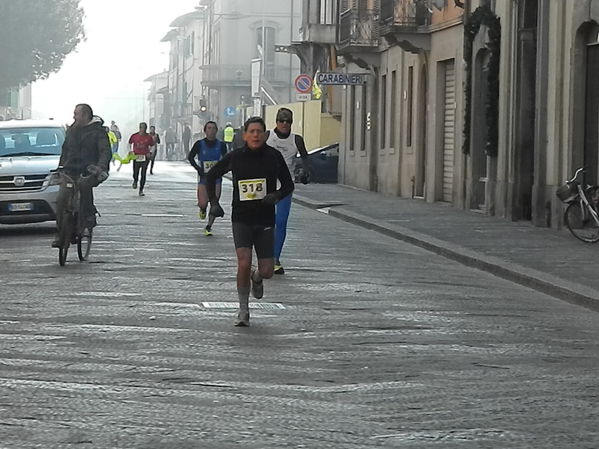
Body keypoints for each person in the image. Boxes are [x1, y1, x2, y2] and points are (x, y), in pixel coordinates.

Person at [206, 117, 294, 327]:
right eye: (252, 131)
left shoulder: (274, 156)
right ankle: (243, 309)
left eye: (259, 132)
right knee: (243, 263)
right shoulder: (236, 157)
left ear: (265, 135)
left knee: (267, 271)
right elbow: (212, 175)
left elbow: (289, 185)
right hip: (242, 218)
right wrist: (213, 202)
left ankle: (257, 277)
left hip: (264, 219)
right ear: (245, 135)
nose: (256, 135)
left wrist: (276, 196)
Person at [52, 104, 111, 247]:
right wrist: (60, 168)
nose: (74, 117)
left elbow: (105, 152)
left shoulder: (98, 132)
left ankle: (89, 215)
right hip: (71, 169)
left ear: (85, 116)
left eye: (76, 114)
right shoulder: (72, 130)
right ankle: (62, 234)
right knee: (61, 199)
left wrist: (100, 167)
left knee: (84, 185)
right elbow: (65, 150)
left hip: (91, 170)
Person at [266, 107, 310, 275]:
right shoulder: (268, 136)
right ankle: (265, 254)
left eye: (288, 121)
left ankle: (275, 259)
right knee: (265, 222)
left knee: (281, 222)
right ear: (276, 121)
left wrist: (305, 172)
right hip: (267, 184)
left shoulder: (296, 140)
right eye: (281, 120)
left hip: (285, 186)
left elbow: (305, 157)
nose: (285, 124)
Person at [187, 121, 227, 236]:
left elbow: (227, 159)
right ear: (205, 131)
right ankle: (203, 209)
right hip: (204, 178)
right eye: (209, 128)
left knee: (215, 203)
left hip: (216, 179)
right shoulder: (199, 144)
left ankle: (209, 227)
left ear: (216, 131)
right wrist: (198, 169)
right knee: (203, 203)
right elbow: (190, 157)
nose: (211, 131)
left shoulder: (221, 145)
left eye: (214, 128)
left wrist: (222, 169)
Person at [128, 122, 155, 196]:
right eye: (142, 128)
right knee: (135, 172)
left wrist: (150, 152)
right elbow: (129, 143)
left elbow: (153, 145)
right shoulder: (134, 136)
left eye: (144, 128)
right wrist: (130, 151)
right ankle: (135, 180)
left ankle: (141, 190)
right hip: (136, 156)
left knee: (143, 173)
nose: (143, 130)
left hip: (145, 157)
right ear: (139, 128)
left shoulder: (149, 137)